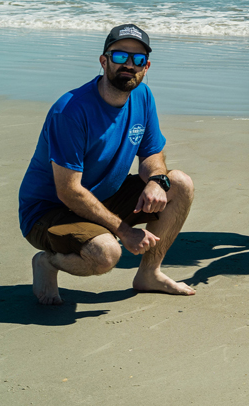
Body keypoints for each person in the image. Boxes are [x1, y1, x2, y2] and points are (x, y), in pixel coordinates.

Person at [18, 24, 196, 305]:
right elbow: (68, 191)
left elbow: (152, 153)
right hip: (49, 212)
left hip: (101, 197)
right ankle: (48, 262)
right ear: (104, 61)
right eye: (120, 56)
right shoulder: (71, 111)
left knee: (179, 184)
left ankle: (149, 274)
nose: (129, 64)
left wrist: (156, 180)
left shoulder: (142, 96)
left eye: (138, 59)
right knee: (106, 253)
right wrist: (125, 231)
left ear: (146, 67)